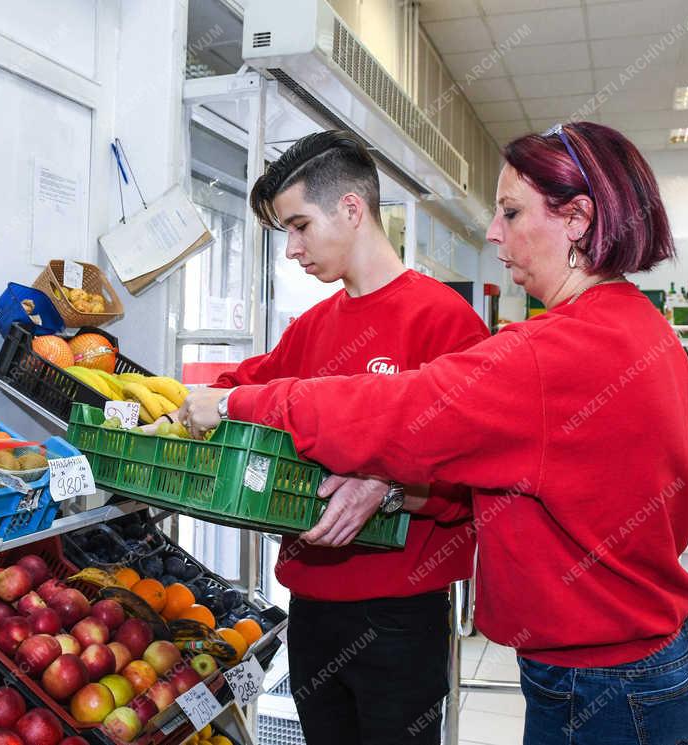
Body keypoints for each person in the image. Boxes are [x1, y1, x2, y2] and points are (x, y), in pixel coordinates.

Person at [180, 122, 688, 745]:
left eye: (510, 212)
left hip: (601, 675)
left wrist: (242, 403)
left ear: (576, 219)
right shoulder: (640, 329)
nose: (492, 232)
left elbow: (400, 411)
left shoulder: (555, 350)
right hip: (623, 661)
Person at [184, 130, 489, 745]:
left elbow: (474, 481)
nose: (292, 249)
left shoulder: (445, 321)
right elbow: (240, 390)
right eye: (285, 232)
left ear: (352, 209)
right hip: (311, 600)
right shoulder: (312, 328)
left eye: (299, 226)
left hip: (400, 613)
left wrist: (390, 488)